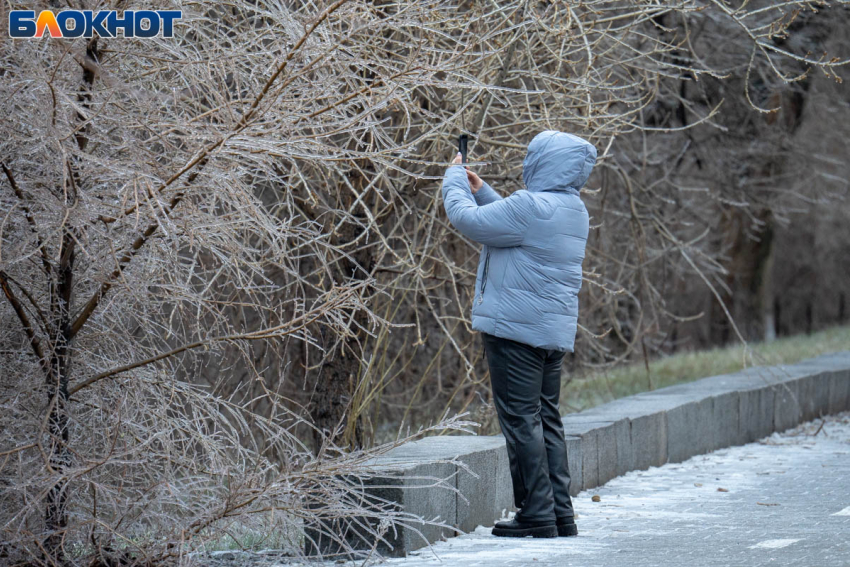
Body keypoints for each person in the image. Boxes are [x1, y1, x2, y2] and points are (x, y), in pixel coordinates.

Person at [440, 130, 596, 538]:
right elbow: (515, 228)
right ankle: (560, 513)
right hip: (550, 332)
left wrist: (454, 179)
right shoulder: (572, 208)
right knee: (546, 419)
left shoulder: (530, 206)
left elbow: (468, 220)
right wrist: (485, 189)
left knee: (521, 421)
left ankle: (536, 513)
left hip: (515, 331)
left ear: (542, 162)